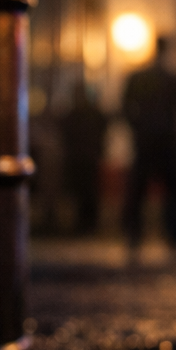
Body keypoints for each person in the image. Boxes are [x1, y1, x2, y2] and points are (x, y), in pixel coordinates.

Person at [121, 36, 176, 260]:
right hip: (165, 141)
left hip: (146, 141)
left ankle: (135, 235)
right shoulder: (173, 79)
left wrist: (137, 127)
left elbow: (124, 107)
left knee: (139, 191)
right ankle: (173, 236)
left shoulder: (139, 78)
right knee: (171, 192)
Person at [59, 80, 108, 234]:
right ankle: (86, 223)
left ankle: (87, 223)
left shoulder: (79, 113)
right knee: (83, 192)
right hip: (84, 156)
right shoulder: (85, 113)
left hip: (83, 157)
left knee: (86, 191)